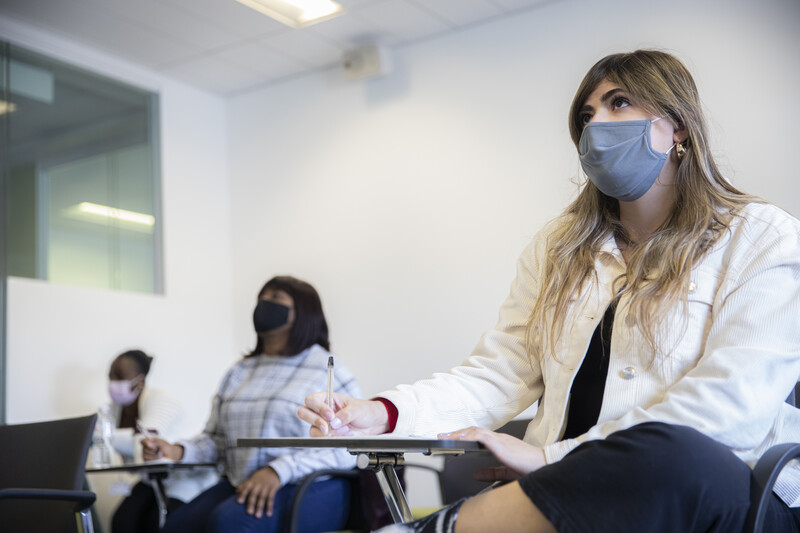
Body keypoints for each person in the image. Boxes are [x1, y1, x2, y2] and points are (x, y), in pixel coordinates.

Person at [298, 50, 800, 533]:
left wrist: (548, 458)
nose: (596, 124)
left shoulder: (762, 237)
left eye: (618, 102)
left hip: (725, 493)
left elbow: (730, 408)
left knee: (678, 451)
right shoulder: (559, 248)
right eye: (586, 115)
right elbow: (500, 372)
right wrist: (382, 413)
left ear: (679, 127)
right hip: (566, 492)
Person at [143, 275, 363, 533]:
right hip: (243, 481)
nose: (264, 303)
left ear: (304, 312)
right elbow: (218, 439)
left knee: (228, 524)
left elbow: (348, 445)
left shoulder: (325, 368)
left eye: (277, 297)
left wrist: (278, 470)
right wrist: (177, 451)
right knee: (175, 527)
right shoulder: (240, 371)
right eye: (262, 298)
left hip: (310, 485)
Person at [102, 349, 216, 533]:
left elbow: (146, 444)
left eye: (120, 376)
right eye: (111, 376)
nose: (114, 382)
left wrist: (106, 436)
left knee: (155, 523)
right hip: (153, 479)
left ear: (140, 380)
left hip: (185, 477)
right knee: (122, 521)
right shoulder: (116, 410)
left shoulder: (161, 400)